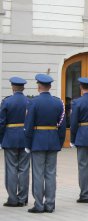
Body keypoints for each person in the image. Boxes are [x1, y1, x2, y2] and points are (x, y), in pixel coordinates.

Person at [24, 74, 66, 213]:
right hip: (53, 141)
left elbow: (29, 125)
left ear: (39, 86)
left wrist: (28, 144)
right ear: (50, 86)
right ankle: (50, 204)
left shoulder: (33, 102)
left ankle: (39, 205)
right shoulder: (58, 102)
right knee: (51, 174)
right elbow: (62, 125)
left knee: (38, 174)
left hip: (38, 142)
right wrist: (59, 143)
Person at [0, 77, 29, 207]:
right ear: (23, 88)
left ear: (12, 87)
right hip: (25, 138)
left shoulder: (6, 102)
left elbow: (1, 123)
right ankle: (22, 198)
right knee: (24, 169)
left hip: (10, 137)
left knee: (11, 169)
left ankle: (12, 199)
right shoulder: (29, 101)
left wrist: (1, 139)